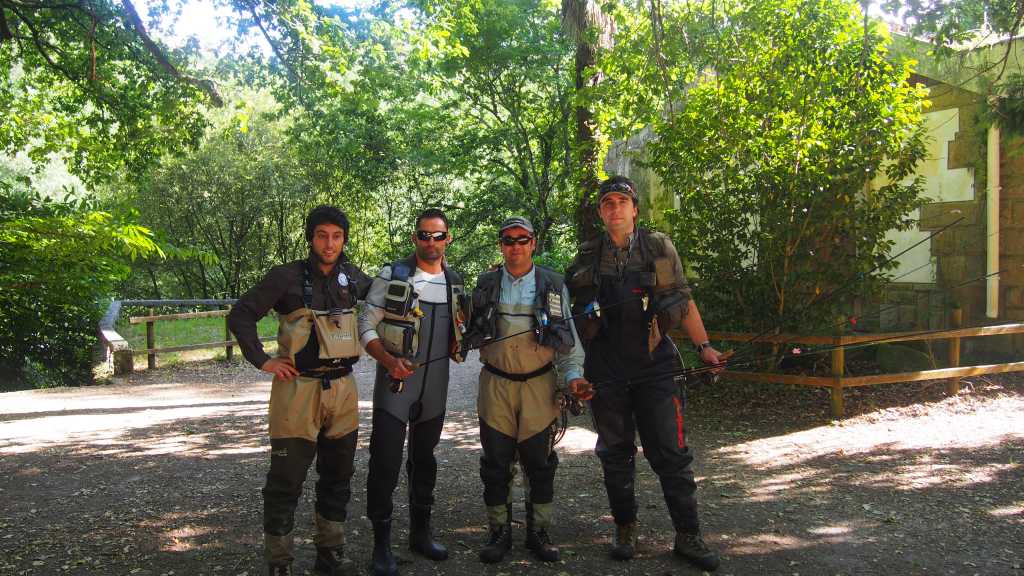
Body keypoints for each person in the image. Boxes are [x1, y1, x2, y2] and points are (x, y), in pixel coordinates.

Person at [566, 176, 724, 572]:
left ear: (635, 209)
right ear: (600, 212)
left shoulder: (658, 247)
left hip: (656, 365)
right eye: (608, 203)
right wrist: (573, 373)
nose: (615, 208)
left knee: (671, 453)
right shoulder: (586, 257)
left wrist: (704, 347)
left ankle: (688, 535)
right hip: (606, 367)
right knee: (614, 453)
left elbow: (682, 299)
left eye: (622, 201)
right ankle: (625, 528)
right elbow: (571, 320)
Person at [228, 205, 372, 576]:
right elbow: (241, 314)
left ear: (344, 240)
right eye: (322, 235)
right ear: (310, 237)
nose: (329, 244)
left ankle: (330, 554)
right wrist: (263, 361)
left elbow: (387, 302)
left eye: (337, 236)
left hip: (342, 388)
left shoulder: (353, 277)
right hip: (296, 390)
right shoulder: (285, 277)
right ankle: (280, 562)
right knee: (285, 480)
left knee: (338, 477)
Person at [464, 216, 588, 564]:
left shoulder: (553, 284)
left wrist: (573, 377)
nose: (515, 246)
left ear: (533, 243)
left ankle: (539, 532)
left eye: (522, 240)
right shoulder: (485, 284)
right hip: (496, 385)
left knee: (540, 464)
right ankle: (498, 532)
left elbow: (568, 339)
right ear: (501, 245)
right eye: (509, 240)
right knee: (495, 463)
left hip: (539, 386)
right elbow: (466, 331)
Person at [357, 208, 468, 576]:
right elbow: (365, 325)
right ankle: (381, 545)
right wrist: (389, 361)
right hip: (396, 387)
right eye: (424, 235)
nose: (431, 242)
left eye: (438, 235)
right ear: (414, 238)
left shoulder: (455, 282)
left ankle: (421, 534)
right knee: (385, 463)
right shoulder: (393, 274)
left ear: (448, 238)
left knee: (425, 461)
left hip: (434, 391)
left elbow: (462, 332)